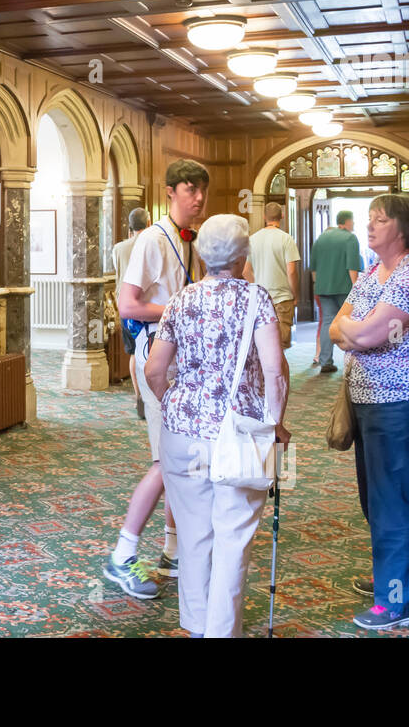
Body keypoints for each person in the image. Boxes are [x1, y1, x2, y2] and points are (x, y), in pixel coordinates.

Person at [144, 214, 291, 637]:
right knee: (233, 540)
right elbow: (275, 372)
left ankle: (195, 627)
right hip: (242, 432)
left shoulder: (181, 299)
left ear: (203, 254)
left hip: (182, 433)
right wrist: (275, 425)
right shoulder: (257, 299)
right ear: (244, 255)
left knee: (192, 539)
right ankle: (222, 632)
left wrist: (174, 402)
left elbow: (155, 369)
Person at [329, 194, 409, 631]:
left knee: (393, 499)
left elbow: (370, 332)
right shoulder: (376, 271)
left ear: (401, 229)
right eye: (369, 219)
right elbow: (343, 320)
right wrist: (351, 331)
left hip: (402, 402)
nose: (370, 226)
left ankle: (397, 603)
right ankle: (391, 578)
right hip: (371, 401)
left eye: (379, 220)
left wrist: (354, 332)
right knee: (375, 498)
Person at [103, 159, 208, 598]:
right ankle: (121, 556)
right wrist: (179, 311)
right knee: (167, 461)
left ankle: (172, 550)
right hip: (157, 361)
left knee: (177, 459)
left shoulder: (191, 241)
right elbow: (128, 306)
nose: (198, 197)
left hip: (182, 358)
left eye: (203, 189)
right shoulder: (151, 239)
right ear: (169, 192)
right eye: (189, 189)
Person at [310, 210, 363, 375]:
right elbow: (352, 266)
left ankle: (326, 361)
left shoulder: (322, 238)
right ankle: (356, 363)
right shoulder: (350, 238)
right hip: (344, 288)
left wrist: (317, 284)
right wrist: (356, 290)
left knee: (327, 322)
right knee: (352, 323)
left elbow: (313, 267)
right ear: (347, 222)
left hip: (323, 287)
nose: (353, 224)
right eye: (353, 221)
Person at [112, 208, 152, 419]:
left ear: (130, 226)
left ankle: (139, 397)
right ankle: (152, 396)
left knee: (134, 352)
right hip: (147, 306)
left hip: (125, 306)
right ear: (148, 222)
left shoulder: (118, 248)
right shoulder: (152, 245)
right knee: (152, 351)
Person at [243, 202, 299, 348]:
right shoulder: (286, 239)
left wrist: (257, 287)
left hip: (261, 299)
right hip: (282, 298)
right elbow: (291, 271)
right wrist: (295, 294)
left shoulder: (252, 239)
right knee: (281, 345)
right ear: (282, 216)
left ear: (264, 217)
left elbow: (245, 271)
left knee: (264, 345)